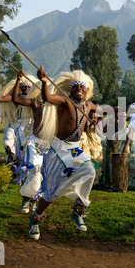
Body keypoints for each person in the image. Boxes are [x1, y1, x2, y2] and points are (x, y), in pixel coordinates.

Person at [28, 66, 99, 240]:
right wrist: (44, 81)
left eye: (82, 87)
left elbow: (99, 111)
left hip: (75, 150)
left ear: (87, 90)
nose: (79, 89)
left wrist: (96, 119)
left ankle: (78, 211)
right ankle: (36, 218)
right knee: (53, 190)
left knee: (90, 171)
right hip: (59, 148)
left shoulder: (89, 105)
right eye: (76, 87)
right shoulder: (65, 101)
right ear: (70, 89)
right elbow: (47, 97)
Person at [10, 71, 52, 214]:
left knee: (43, 175)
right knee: (35, 172)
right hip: (35, 143)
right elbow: (15, 99)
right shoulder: (35, 104)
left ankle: (33, 200)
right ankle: (26, 199)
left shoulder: (55, 107)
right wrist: (18, 80)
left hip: (48, 145)